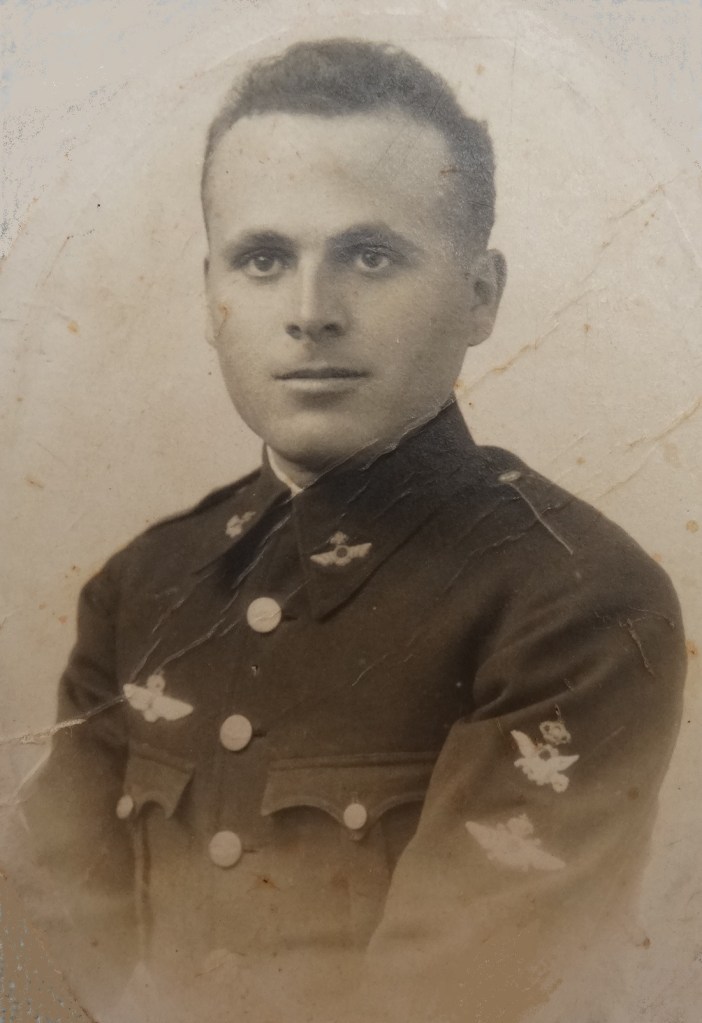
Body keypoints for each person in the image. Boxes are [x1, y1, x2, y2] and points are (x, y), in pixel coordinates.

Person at [9, 37, 686, 1023]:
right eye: (264, 259)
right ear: (211, 297)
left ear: (481, 296)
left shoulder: (572, 603)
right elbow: (38, 948)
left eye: (371, 257)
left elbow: (457, 997)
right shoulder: (143, 586)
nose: (311, 313)